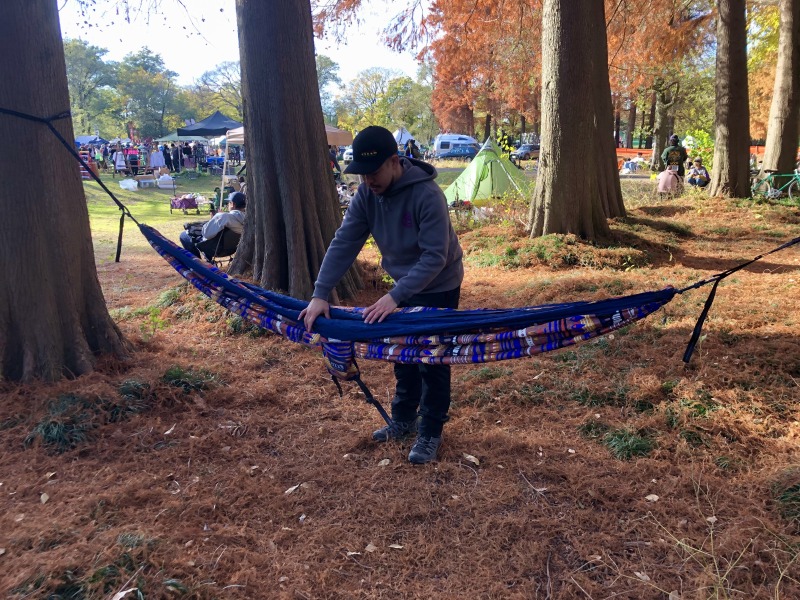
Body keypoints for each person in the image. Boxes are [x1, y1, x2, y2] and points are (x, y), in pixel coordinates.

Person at [300, 126, 464, 465]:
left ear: (394, 162)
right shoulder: (366, 195)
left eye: (373, 173)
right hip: (403, 284)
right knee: (402, 356)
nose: (367, 181)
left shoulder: (427, 195)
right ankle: (403, 420)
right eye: (361, 175)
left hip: (440, 284)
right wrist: (320, 294)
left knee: (432, 359)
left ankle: (430, 430)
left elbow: (435, 256)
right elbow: (344, 242)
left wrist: (394, 297)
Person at [179, 191, 246, 259]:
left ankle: (197, 263)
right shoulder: (248, 220)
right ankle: (207, 261)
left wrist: (214, 218)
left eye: (228, 202)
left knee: (184, 235)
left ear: (232, 204)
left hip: (215, 249)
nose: (227, 204)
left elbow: (206, 234)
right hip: (232, 250)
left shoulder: (223, 217)